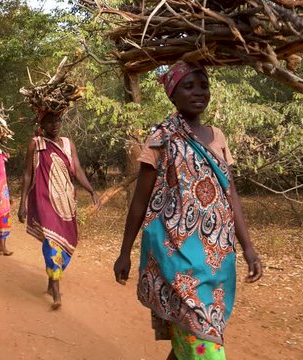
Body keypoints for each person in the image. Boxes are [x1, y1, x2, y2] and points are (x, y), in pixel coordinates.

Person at [113, 61, 263, 360]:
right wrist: (124, 251)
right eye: (188, 86)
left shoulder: (217, 137)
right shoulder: (162, 137)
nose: (198, 93)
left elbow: (230, 194)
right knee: (204, 345)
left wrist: (248, 248)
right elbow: (140, 200)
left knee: (194, 334)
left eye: (203, 85)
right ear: (172, 94)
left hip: (216, 258)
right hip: (175, 254)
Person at [18, 111, 100, 310]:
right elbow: (28, 174)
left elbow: (78, 170)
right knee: (52, 241)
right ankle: (56, 289)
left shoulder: (67, 143)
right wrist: (22, 203)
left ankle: (51, 277)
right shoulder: (35, 145)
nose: (55, 124)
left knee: (69, 243)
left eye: (57, 120)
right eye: (50, 121)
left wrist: (91, 191)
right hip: (44, 201)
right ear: (42, 123)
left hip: (66, 201)